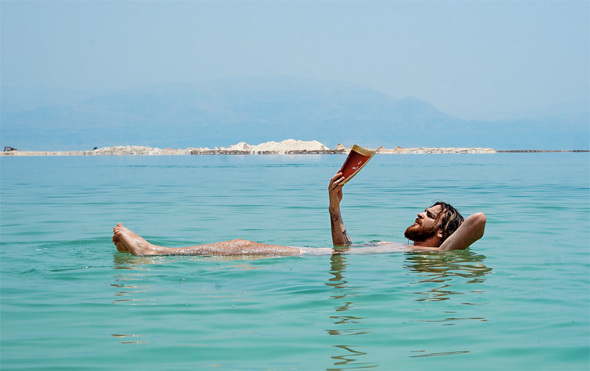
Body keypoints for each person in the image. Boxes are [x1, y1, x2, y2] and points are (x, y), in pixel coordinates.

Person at [112, 172, 486, 256]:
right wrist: (334, 205)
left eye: (429, 214)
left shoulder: (437, 256)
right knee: (242, 247)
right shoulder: (416, 255)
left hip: (309, 259)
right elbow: (345, 249)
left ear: (443, 231)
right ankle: (155, 252)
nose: (419, 214)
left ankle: (153, 253)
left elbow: (478, 220)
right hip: (324, 257)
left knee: (241, 247)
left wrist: (445, 243)